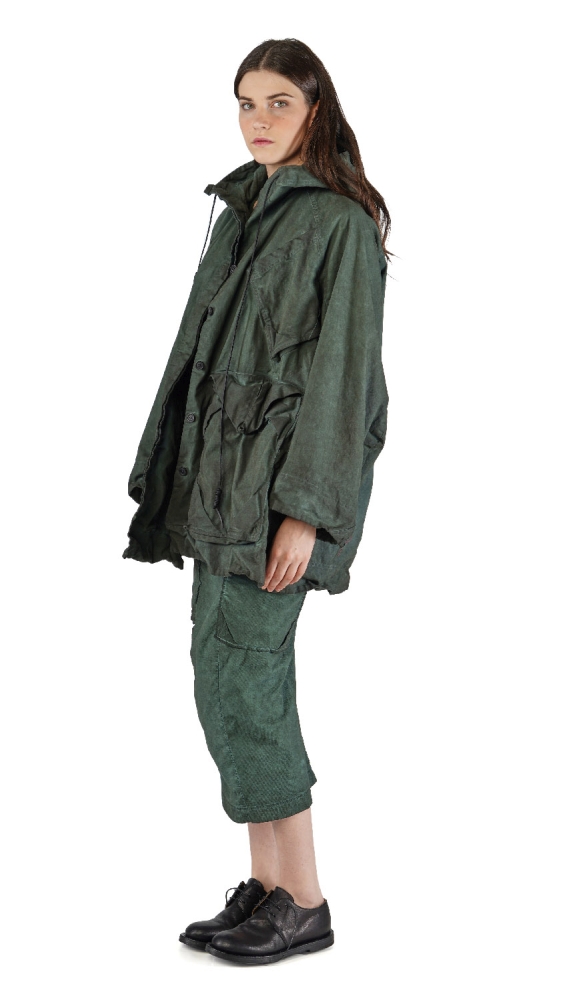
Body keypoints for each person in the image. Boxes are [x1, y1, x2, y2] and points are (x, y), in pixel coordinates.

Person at [122, 37, 391, 965]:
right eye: (246, 102)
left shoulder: (340, 225)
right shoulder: (243, 211)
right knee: (223, 683)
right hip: (219, 493)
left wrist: (305, 512)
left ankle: (305, 900)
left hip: (276, 504)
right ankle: (268, 885)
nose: (258, 120)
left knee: (250, 685)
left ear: (316, 109)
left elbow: (345, 381)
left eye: (279, 102)